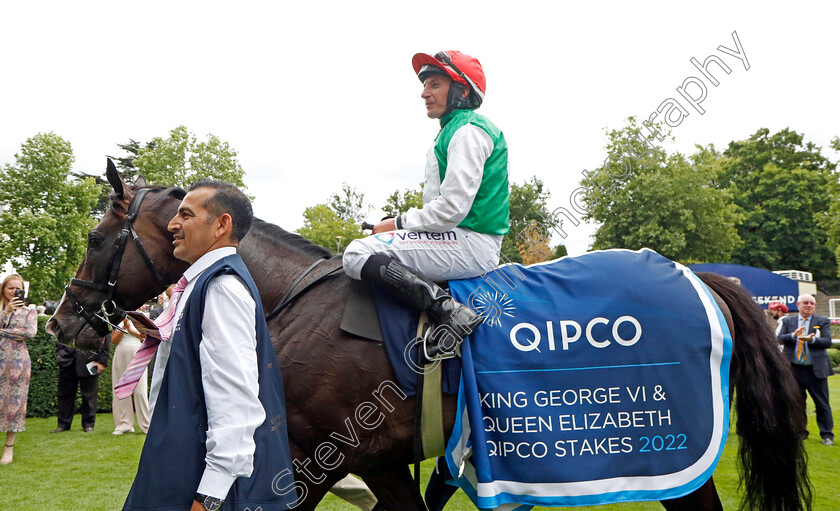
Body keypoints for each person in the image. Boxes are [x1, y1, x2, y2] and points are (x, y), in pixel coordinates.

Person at [120, 180, 295, 511]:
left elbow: (236, 402)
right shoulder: (201, 285)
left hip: (200, 485)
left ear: (221, 225)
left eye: (185, 215)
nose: (173, 224)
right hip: (181, 467)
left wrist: (210, 496)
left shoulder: (221, 288)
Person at [342, 50, 510, 358]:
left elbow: (451, 209)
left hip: (470, 243)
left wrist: (398, 223)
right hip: (459, 237)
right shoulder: (454, 130)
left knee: (356, 254)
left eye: (434, 84)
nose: (424, 93)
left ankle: (449, 312)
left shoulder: (468, 131)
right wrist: (400, 222)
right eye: (425, 85)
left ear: (461, 91)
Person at [777, 294, 834, 445]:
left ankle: (827, 435)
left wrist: (812, 340)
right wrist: (793, 336)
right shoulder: (788, 321)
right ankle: (800, 432)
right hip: (794, 370)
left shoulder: (822, 321)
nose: (809, 306)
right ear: (798, 304)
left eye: (812, 303)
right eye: (805, 303)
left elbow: (827, 341)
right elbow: (779, 339)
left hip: (816, 370)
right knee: (797, 403)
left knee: (822, 404)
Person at [0, 274, 37, 465]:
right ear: (3, 289)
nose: (14, 292)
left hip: (17, 363)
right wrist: (5, 312)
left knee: (14, 404)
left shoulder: (29, 312)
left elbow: (29, 333)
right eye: (10, 288)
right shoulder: (2, 310)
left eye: (18, 288)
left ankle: (9, 448)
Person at [53, 336, 110, 433]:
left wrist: (102, 361)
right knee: (65, 395)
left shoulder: (98, 320)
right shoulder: (67, 319)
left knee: (90, 396)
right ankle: (63, 424)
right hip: (67, 361)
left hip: (91, 361)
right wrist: (60, 355)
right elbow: (60, 333)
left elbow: (106, 336)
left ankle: (88, 424)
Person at [111, 317, 150, 435]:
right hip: (121, 351)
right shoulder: (116, 318)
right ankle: (124, 424)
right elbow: (114, 340)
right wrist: (123, 327)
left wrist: (131, 329)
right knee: (121, 390)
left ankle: (146, 425)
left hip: (138, 352)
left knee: (140, 391)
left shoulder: (142, 316)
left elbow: (145, 337)